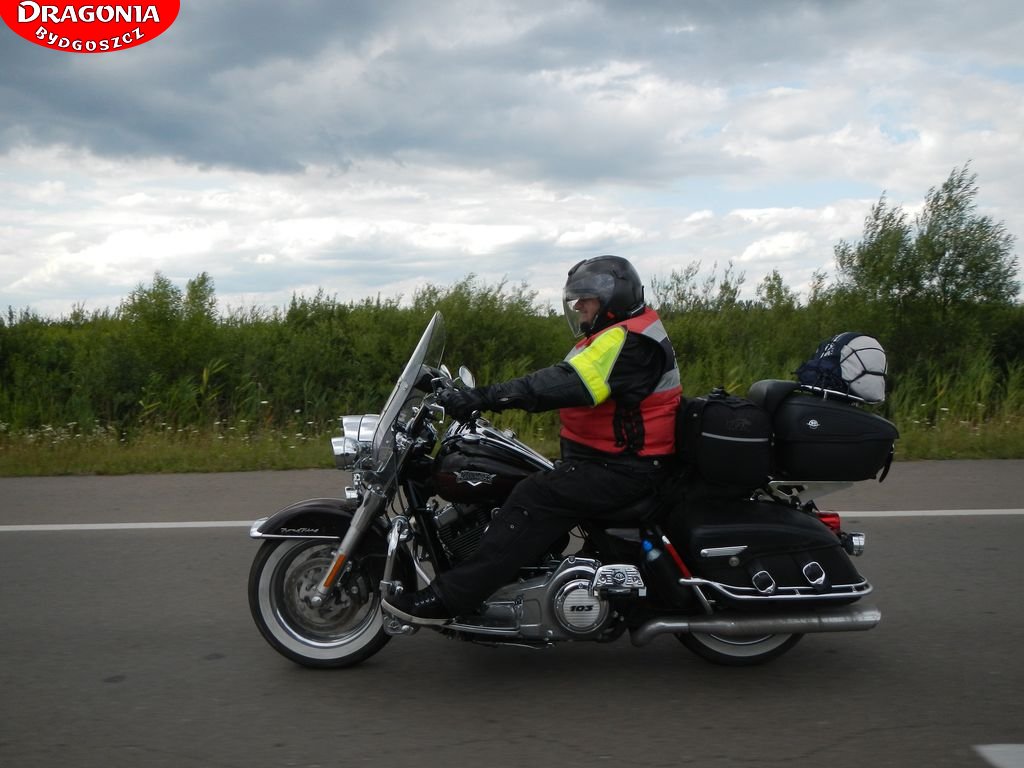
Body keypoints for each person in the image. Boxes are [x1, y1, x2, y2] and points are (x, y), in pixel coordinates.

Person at [382, 255, 682, 625]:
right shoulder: (620, 333)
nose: (579, 306)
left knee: (533, 496)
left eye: (586, 299)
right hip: (609, 460)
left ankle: (451, 598)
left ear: (611, 299)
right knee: (514, 476)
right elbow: (563, 378)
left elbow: (562, 383)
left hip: (623, 469)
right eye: (576, 299)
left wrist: (483, 397)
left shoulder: (629, 341)